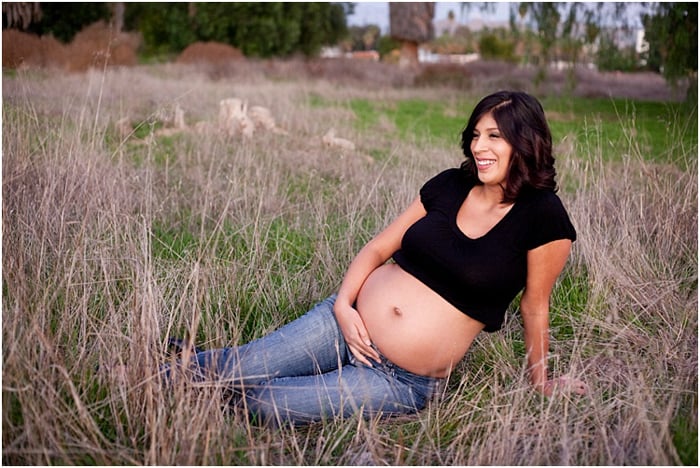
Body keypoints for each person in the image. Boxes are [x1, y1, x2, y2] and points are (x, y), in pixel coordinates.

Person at [163, 90, 588, 427]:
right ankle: (155, 373)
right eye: (476, 134)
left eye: (494, 136)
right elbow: (378, 248)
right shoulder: (449, 185)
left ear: (525, 141)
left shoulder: (543, 217)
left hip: (400, 379)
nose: (479, 146)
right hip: (345, 321)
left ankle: (196, 377)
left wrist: (542, 381)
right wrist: (345, 307)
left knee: (264, 406)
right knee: (240, 366)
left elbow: (535, 306)